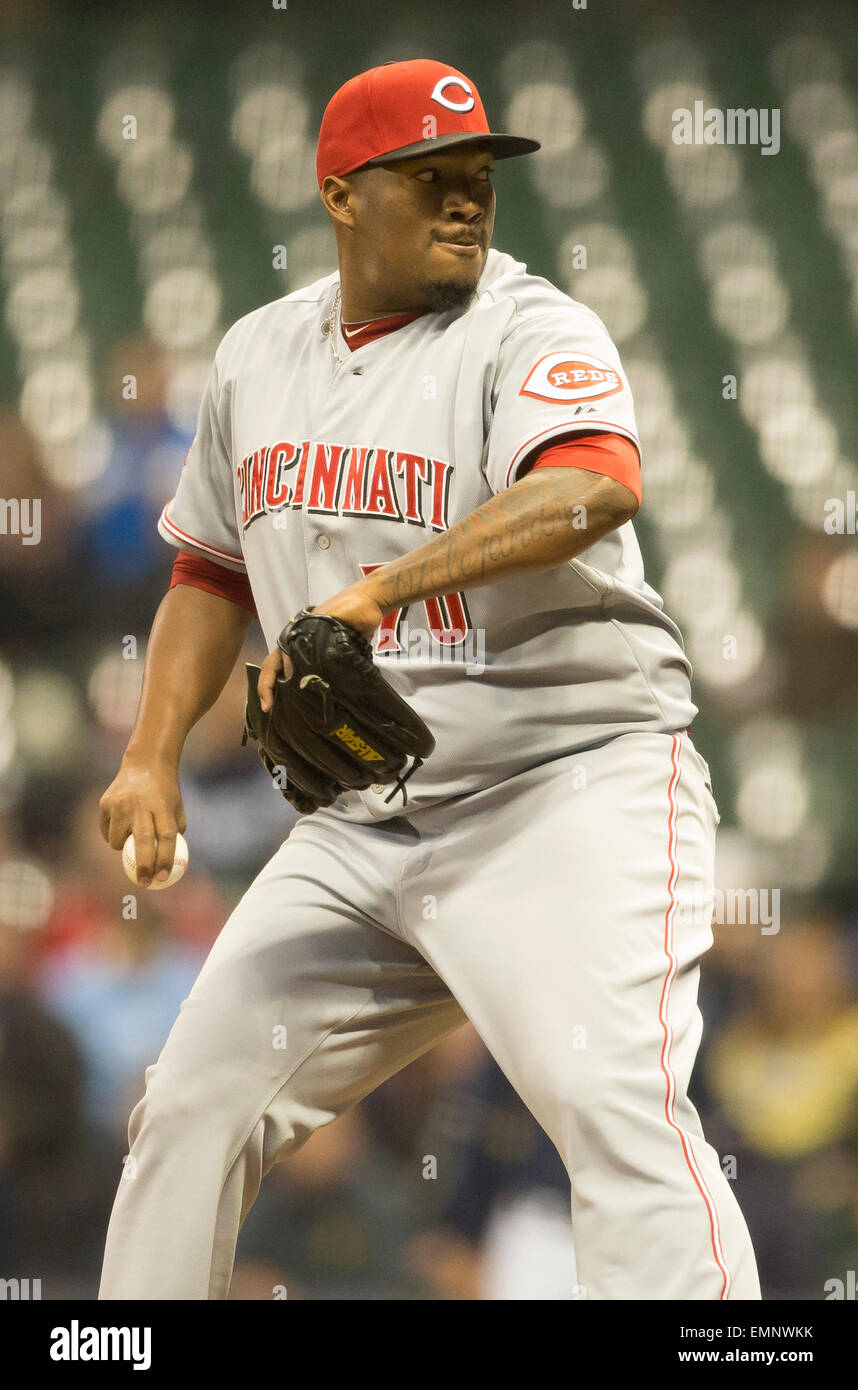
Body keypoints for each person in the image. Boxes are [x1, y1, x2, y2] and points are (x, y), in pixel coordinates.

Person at [97, 58, 760, 1300]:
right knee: (189, 1108)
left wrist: (376, 590)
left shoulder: (531, 329)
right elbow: (208, 570)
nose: (467, 201)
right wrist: (150, 753)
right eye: (431, 179)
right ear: (342, 196)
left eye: (478, 180)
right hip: (364, 818)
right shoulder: (256, 356)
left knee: (612, 1101)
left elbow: (591, 486)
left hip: (564, 790)